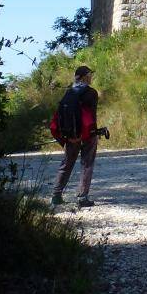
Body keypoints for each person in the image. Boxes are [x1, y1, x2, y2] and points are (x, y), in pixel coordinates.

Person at [51, 65, 103, 208]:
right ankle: (82, 197)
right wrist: (91, 132)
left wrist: (69, 135)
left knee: (67, 163)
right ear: (85, 76)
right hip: (87, 134)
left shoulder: (69, 93)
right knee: (87, 163)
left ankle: (56, 195)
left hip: (70, 135)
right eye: (90, 74)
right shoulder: (91, 93)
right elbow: (91, 115)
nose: (91, 77)